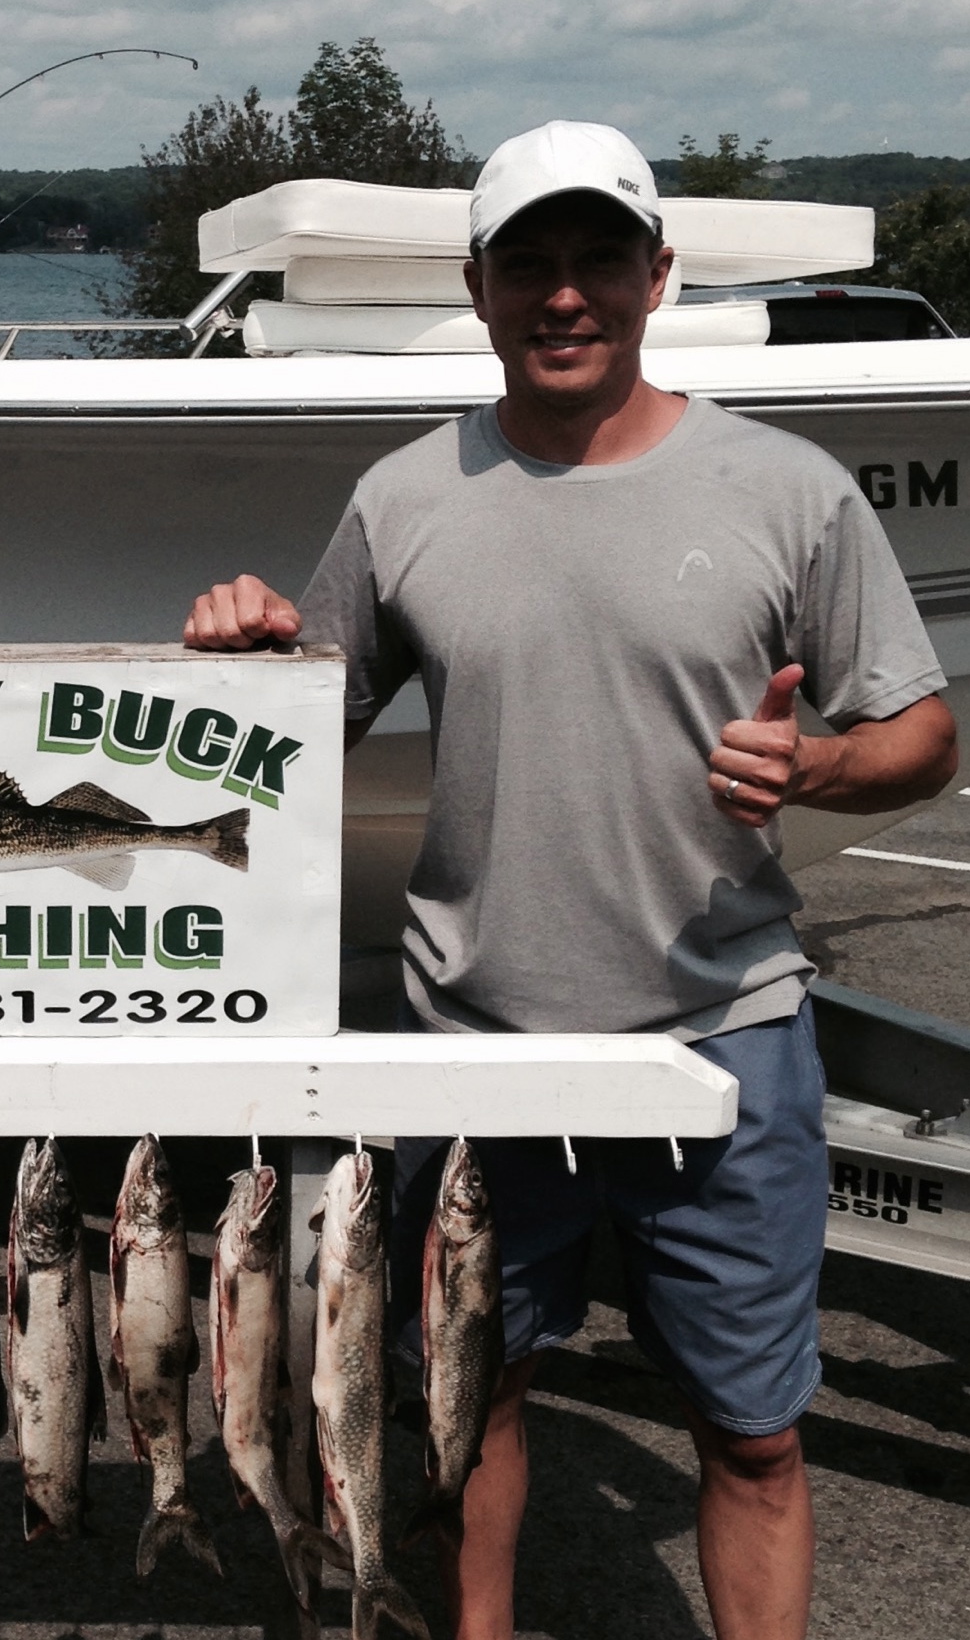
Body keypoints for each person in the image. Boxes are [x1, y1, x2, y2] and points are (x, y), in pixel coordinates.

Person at [184, 121, 957, 1640]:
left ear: (654, 275)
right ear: (476, 289)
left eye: (596, 256)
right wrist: (240, 651)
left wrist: (817, 770)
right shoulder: (402, 499)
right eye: (524, 262)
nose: (562, 294)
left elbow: (919, 735)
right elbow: (303, 722)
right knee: (471, 1400)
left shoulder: (785, 490)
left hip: (722, 1030)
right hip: (478, 1041)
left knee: (751, 1431)